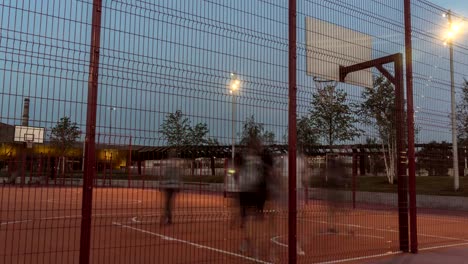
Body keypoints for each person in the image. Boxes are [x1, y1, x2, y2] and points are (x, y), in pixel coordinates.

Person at [161, 149, 182, 225]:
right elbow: (179, 175)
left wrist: (161, 184)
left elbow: (164, 175)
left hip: (167, 185)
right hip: (174, 185)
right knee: (169, 202)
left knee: (167, 202)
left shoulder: (167, 163)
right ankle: (168, 217)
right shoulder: (177, 163)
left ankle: (167, 217)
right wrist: (179, 185)